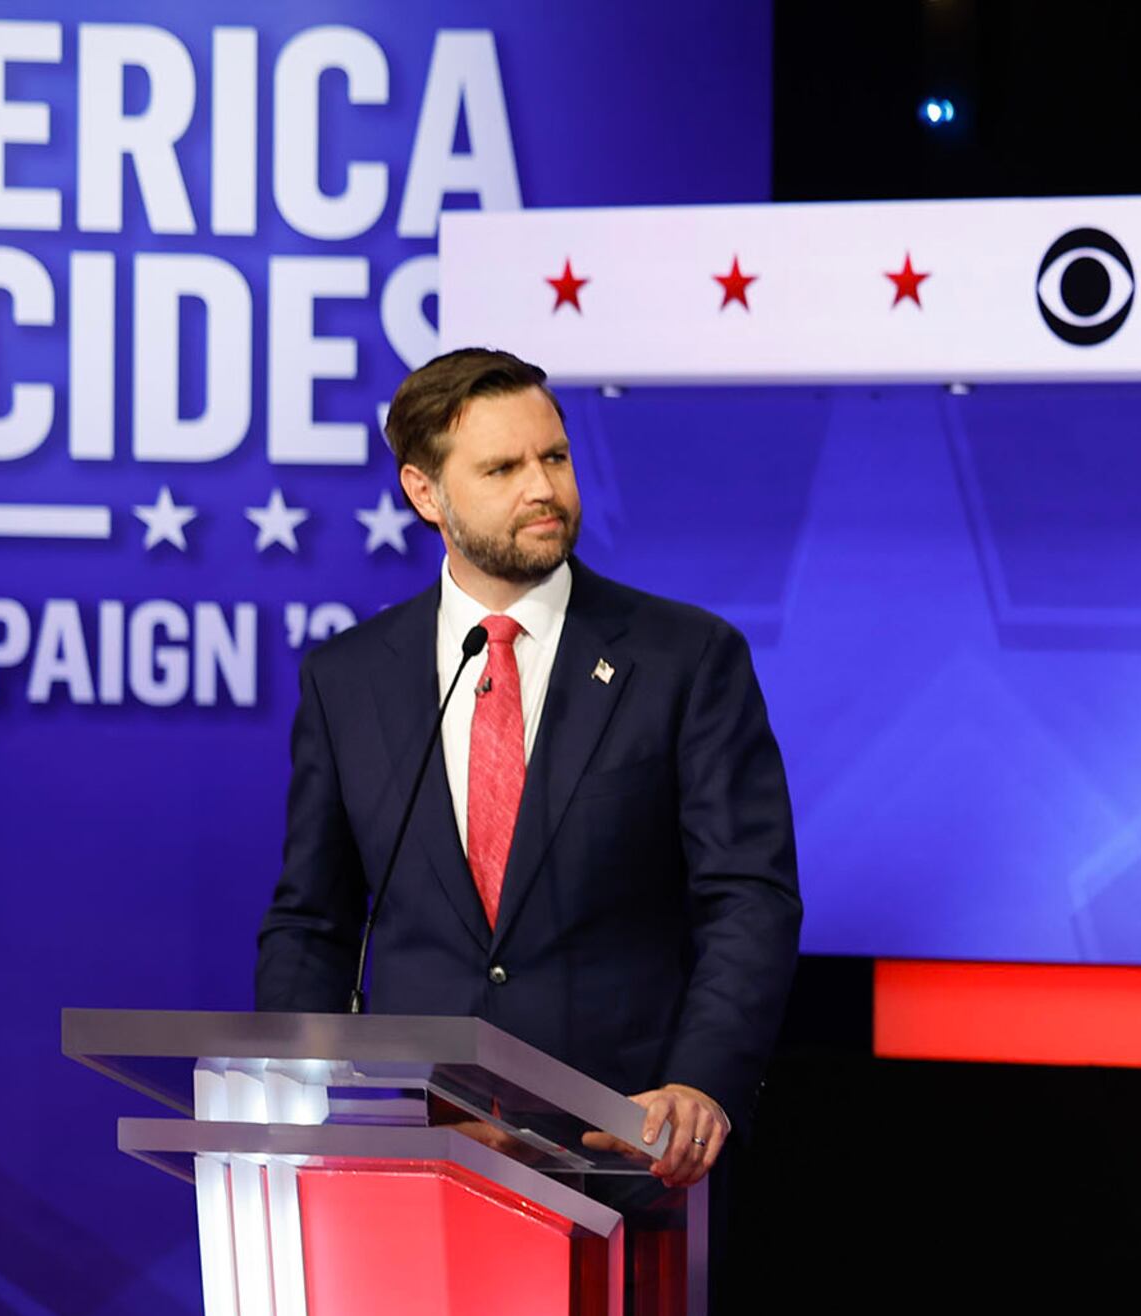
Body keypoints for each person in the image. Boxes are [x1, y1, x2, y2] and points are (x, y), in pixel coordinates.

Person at [256, 348, 802, 1185]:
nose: (543, 487)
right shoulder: (349, 679)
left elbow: (748, 898)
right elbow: (313, 923)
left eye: (554, 456)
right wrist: (287, 1102)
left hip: (625, 1154)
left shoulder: (685, 659)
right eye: (503, 467)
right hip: (412, 1156)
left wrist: (702, 1083)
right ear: (425, 493)